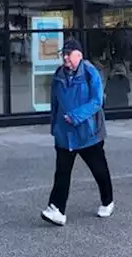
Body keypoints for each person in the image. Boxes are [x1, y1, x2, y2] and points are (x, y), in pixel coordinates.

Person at [41, 38, 114, 227]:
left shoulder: (90, 73)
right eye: (63, 54)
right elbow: (54, 103)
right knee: (62, 173)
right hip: (65, 134)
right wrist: (54, 127)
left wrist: (76, 116)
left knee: (99, 170)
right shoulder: (59, 75)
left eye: (69, 54)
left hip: (88, 133)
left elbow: (97, 101)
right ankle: (56, 209)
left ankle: (107, 201)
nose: (65, 58)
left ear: (79, 55)